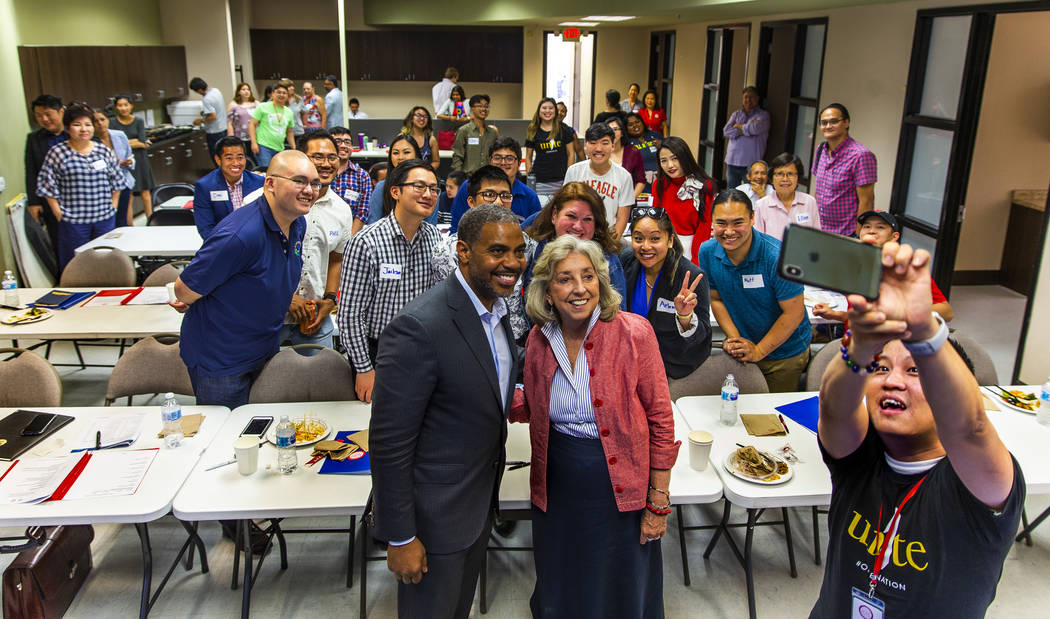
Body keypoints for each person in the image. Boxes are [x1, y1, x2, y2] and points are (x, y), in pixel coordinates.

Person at [808, 241, 1022, 618]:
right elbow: (833, 407)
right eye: (881, 367)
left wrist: (924, 331)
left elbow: (969, 427)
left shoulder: (976, 482)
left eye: (915, 371)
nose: (892, 381)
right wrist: (860, 348)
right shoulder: (861, 457)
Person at [512, 235, 678, 617]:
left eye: (588, 276)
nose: (579, 288)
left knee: (620, 580)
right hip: (558, 484)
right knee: (564, 573)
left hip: (619, 481)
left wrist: (658, 500)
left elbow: (661, 421)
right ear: (547, 292)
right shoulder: (539, 339)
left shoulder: (634, 333)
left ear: (601, 284)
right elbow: (534, 404)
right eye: (565, 279)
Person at [370, 203, 523, 619]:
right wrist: (400, 536)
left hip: (475, 509)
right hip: (432, 522)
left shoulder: (496, 309)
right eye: (497, 251)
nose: (511, 263)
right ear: (463, 251)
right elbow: (389, 444)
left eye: (519, 250)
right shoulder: (419, 326)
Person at [171, 150, 316, 408]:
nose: (310, 190)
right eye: (299, 181)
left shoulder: (297, 223)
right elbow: (184, 291)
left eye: (314, 183)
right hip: (222, 359)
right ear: (269, 184)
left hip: (262, 348)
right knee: (227, 438)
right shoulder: (239, 235)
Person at [337, 159, 442, 403]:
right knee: (374, 426)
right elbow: (350, 314)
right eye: (419, 186)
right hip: (379, 353)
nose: (428, 194)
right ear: (395, 191)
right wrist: (364, 369)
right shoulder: (366, 242)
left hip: (423, 351)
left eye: (433, 189)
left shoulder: (435, 238)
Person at [698, 189, 811, 392]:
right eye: (721, 223)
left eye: (737, 223)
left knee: (772, 419)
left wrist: (758, 351)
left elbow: (794, 313)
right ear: (712, 222)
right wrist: (735, 340)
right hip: (743, 352)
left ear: (752, 218)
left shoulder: (779, 257)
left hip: (783, 355)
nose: (729, 231)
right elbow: (716, 299)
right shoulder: (707, 251)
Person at [275, 130, 354, 352]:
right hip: (268, 314)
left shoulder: (341, 210)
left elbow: (336, 258)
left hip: (314, 317)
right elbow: (250, 262)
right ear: (300, 160)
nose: (326, 163)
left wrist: (329, 300)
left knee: (321, 380)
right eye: (317, 157)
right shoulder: (272, 202)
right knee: (263, 382)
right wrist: (285, 297)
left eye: (332, 157)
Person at [812, 210, 954, 323]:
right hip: (854, 342)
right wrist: (837, 315)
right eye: (866, 226)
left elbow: (946, 312)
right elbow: (864, 316)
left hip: (888, 347)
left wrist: (898, 314)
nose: (871, 231)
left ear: (894, 237)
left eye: (880, 227)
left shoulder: (903, 268)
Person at [622, 207, 712, 378]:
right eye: (638, 238)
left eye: (655, 238)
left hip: (669, 367)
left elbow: (703, 339)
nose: (645, 246)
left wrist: (685, 318)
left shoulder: (691, 276)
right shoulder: (626, 261)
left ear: (670, 240)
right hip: (628, 363)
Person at [36, 104, 124, 270]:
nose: (83, 129)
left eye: (88, 124)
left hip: (104, 218)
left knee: (105, 262)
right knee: (75, 265)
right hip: (74, 221)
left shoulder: (102, 151)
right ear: (68, 128)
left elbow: (117, 181)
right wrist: (59, 213)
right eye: (77, 125)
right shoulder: (58, 152)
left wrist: (113, 207)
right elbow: (47, 185)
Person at [523, 182, 627, 305]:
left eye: (587, 219)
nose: (578, 226)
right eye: (571, 216)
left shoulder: (609, 263)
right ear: (554, 215)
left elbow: (617, 314)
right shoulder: (534, 242)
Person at [450, 136, 541, 232]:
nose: (503, 162)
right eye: (497, 158)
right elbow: (456, 227)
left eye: (509, 158)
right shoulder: (469, 186)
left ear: (519, 163)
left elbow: (536, 233)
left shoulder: (530, 197)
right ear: (490, 161)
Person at [813, 103, 877, 236]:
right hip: (820, 229)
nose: (828, 126)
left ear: (846, 123)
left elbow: (867, 200)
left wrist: (859, 236)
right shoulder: (821, 150)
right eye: (824, 123)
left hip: (846, 234)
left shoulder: (860, 155)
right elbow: (818, 190)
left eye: (834, 121)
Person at [651, 136, 717, 267]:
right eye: (664, 161)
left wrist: (696, 259)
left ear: (684, 157)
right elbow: (656, 222)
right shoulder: (659, 185)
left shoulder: (703, 186)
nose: (670, 165)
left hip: (693, 246)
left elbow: (704, 226)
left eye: (675, 158)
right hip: (664, 246)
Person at [563, 123, 635, 238]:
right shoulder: (574, 171)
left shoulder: (624, 176)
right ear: (585, 146)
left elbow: (622, 220)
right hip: (576, 234)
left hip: (607, 237)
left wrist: (611, 246)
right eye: (593, 143)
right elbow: (565, 208)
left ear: (613, 146)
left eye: (605, 143)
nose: (598, 149)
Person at [192, 136, 266, 239]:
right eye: (229, 158)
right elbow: (206, 228)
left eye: (240, 157)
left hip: (255, 243)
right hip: (221, 244)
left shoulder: (259, 183)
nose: (236, 163)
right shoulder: (205, 186)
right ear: (218, 160)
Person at [24, 94, 68, 258]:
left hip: (78, 197)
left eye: (48, 114)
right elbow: (31, 171)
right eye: (39, 115)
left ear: (61, 112)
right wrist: (34, 202)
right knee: (58, 239)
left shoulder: (76, 133)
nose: (44, 119)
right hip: (50, 200)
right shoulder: (34, 139)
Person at [753, 152, 820, 241]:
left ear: (798, 178)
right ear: (772, 179)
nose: (785, 179)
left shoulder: (809, 202)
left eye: (791, 174)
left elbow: (816, 238)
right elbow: (759, 243)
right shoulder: (761, 205)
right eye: (780, 174)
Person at [366, 134, 429, 225]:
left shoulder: (428, 188)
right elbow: (372, 224)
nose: (400, 157)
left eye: (406, 152)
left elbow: (430, 225)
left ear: (417, 155)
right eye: (395, 153)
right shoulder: (382, 187)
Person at [111, 94, 156, 218]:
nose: (123, 108)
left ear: (131, 106)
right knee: (128, 194)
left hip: (140, 159)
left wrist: (125, 142)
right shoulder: (112, 123)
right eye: (120, 105)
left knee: (145, 193)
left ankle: (151, 220)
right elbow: (113, 143)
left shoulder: (138, 121)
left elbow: (142, 142)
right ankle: (129, 225)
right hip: (124, 161)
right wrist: (132, 142)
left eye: (126, 105)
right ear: (116, 107)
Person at [91, 110, 136, 227]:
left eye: (102, 119)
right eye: (96, 121)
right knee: (110, 222)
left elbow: (130, 155)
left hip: (123, 181)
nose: (100, 123)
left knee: (122, 220)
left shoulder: (119, 135)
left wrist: (130, 162)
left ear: (108, 120)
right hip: (104, 186)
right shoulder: (91, 141)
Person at [524, 98, 576, 197]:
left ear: (555, 111)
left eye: (551, 108)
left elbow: (571, 154)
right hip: (539, 181)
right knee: (540, 210)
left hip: (561, 181)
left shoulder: (564, 130)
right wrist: (529, 178)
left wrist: (568, 178)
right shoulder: (533, 130)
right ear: (539, 111)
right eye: (544, 108)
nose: (547, 111)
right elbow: (528, 157)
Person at [722, 86, 770, 189]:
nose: (748, 100)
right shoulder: (736, 114)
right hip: (732, 160)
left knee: (753, 192)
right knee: (732, 192)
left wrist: (739, 126)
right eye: (746, 97)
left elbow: (755, 129)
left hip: (751, 163)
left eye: (752, 97)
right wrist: (747, 129)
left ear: (757, 99)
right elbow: (726, 131)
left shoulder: (763, 116)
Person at [329, 126, 374, 234]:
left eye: (347, 142)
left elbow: (363, 212)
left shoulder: (362, 176)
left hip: (349, 231)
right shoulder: (322, 171)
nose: (343, 145)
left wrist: (349, 240)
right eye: (338, 141)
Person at [250, 82, 295, 168]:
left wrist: (294, 147)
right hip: (264, 146)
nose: (281, 95)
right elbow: (252, 124)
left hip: (280, 148)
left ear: (287, 96)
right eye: (278, 92)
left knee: (278, 171)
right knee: (267, 171)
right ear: (273, 93)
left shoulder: (289, 112)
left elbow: (289, 132)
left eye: (284, 93)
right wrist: (254, 143)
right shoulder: (262, 107)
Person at [451, 94, 499, 174]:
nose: (483, 109)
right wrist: (459, 178)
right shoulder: (463, 131)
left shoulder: (493, 133)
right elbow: (457, 157)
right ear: (472, 109)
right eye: (480, 106)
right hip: (469, 178)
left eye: (486, 106)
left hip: (488, 178)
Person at [605, 116, 645, 199]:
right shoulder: (600, 151)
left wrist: (629, 200)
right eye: (609, 130)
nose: (612, 133)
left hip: (627, 202)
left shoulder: (632, 152)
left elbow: (641, 181)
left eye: (615, 129)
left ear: (622, 132)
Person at [190, 77, 227, 157]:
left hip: (214, 132)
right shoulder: (216, 91)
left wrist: (200, 121)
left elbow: (213, 116)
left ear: (199, 90)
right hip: (223, 128)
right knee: (223, 155)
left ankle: (219, 170)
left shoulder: (206, 99)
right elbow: (217, 108)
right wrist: (205, 112)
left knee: (216, 156)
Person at [625, 112, 663, 190]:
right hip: (639, 183)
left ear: (642, 122)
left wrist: (662, 145)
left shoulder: (656, 135)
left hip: (660, 180)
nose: (635, 125)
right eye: (630, 124)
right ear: (626, 128)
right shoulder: (626, 143)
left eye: (637, 122)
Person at [400, 106, 440, 171]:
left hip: (425, 175)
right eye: (418, 115)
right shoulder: (402, 137)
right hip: (406, 174)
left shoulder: (431, 139)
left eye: (425, 116)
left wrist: (426, 171)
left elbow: (436, 161)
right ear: (411, 118)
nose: (422, 118)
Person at [226, 82, 257, 147]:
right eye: (243, 89)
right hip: (240, 137)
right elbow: (229, 123)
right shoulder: (233, 105)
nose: (246, 91)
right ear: (238, 92)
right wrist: (231, 138)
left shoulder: (256, 103)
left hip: (255, 137)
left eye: (248, 89)